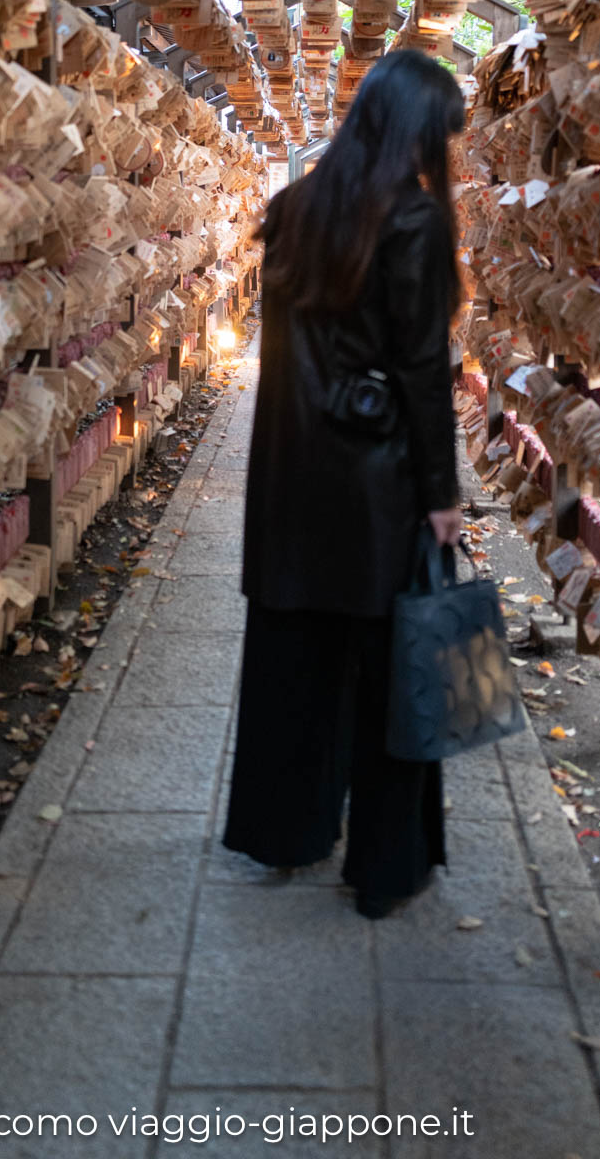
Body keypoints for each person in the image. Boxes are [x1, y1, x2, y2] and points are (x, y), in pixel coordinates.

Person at [222, 49, 466, 920]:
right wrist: (441, 493)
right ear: (417, 131)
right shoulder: (414, 222)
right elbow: (422, 368)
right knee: (390, 672)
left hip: (291, 481)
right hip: (378, 486)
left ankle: (284, 832)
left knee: (293, 661)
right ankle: (383, 865)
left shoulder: (296, 208)